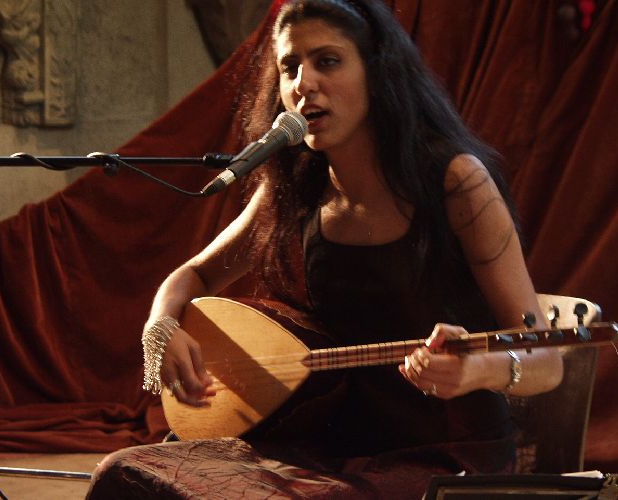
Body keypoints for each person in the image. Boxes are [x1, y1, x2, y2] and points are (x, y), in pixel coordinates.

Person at [88, 0, 563, 497]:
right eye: (290, 66)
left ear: (377, 72)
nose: (304, 83)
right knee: (126, 472)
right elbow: (195, 276)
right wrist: (161, 325)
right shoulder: (296, 186)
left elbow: (547, 360)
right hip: (327, 441)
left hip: (444, 452)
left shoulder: (457, 183)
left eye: (327, 61)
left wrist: (477, 369)